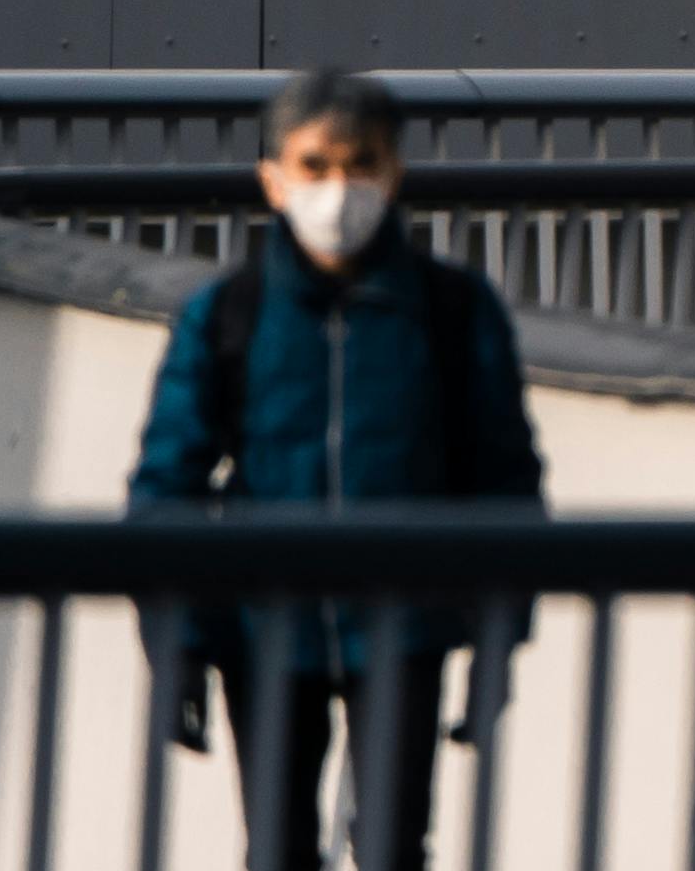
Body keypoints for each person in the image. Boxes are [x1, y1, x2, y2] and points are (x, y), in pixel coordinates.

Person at [127, 71, 541, 871]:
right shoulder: (229, 315)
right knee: (277, 848)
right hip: (267, 625)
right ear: (272, 179)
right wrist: (177, 640)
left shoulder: (451, 311)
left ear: (394, 172)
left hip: (403, 622)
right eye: (315, 165)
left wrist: (498, 635)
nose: (338, 189)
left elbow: (506, 479)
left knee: (391, 846)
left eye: (361, 164)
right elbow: (165, 486)